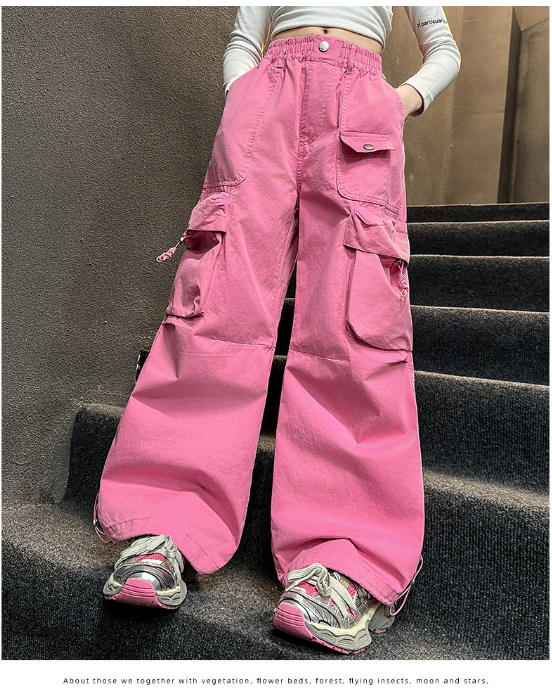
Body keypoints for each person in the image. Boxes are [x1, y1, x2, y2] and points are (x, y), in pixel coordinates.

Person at [94, 6, 461, 655]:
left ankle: (342, 554)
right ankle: (165, 521)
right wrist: (245, 94)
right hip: (265, 104)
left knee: (353, 330)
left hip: (362, 110)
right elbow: (244, 39)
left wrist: (395, 101)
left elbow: (445, 50)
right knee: (216, 314)